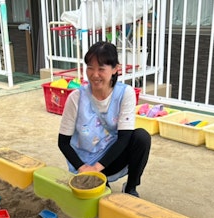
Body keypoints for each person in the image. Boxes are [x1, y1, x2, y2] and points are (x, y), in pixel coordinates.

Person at [58, 41, 151, 197]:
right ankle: (100, 182)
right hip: (85, 162)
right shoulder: (76, 98)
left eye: (101, 69)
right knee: (97, 197)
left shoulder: (125, 94)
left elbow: (124, 138)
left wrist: (97, 168)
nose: (95, 75)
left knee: (141, 137)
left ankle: (131, 187)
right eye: (90, 68)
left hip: (111, 157)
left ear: (115, 69)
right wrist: (84, 168)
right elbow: (63, 142)